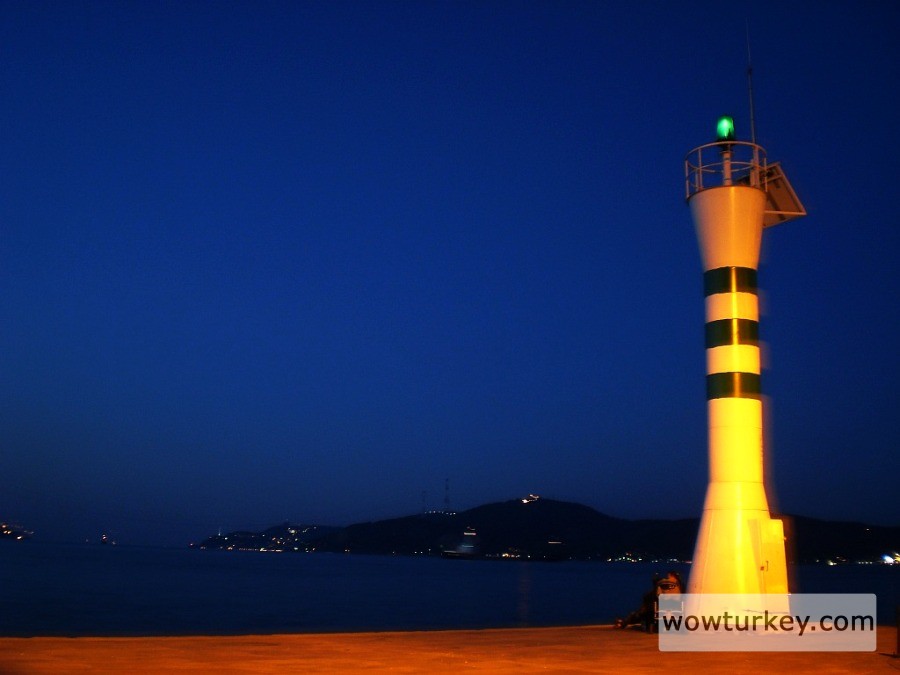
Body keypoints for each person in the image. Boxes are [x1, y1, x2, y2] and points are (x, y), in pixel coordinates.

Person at [614, 571, 684, 631]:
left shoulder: (662, 583)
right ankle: (624, 622)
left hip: (658, 609)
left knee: (640, 612)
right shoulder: (679, 586)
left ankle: (622, 623)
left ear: (670, 575)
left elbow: (656, 595)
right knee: (643, 611)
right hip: (675, 608)